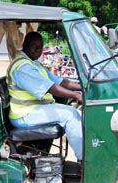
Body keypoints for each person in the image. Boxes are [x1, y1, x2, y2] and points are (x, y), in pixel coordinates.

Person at [6, 32, 83, 161]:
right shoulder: (23, 67)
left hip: (33, 110)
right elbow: (50, 87)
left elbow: (59, 81)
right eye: (34, 46)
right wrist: (75, 95)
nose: (38, 50)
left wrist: (83, 87)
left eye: (40, 46)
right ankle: (84, 160)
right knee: (70, 115)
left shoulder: (34, 63)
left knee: (77, 114)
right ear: (24, 45)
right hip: (24, 114)